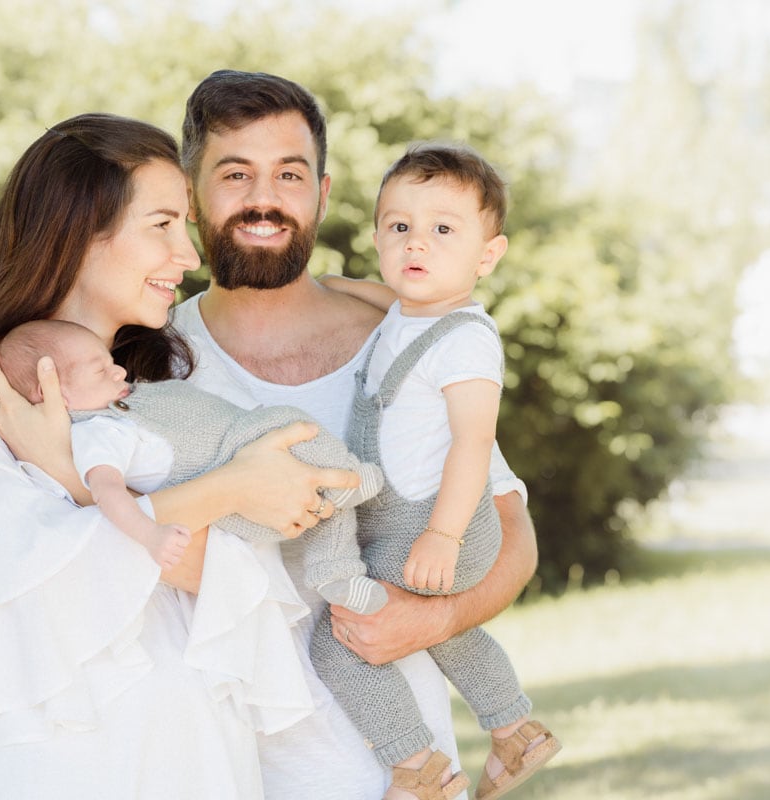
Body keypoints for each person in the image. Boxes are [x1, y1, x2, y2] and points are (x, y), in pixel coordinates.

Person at [0, 113, 361, 798]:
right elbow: (29, 579)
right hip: (52, 758)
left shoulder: (169, 390)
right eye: (162, 225)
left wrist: (71, 480)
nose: (188, 253)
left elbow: (242, 585)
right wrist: (231, 487)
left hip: (199, 747)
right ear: (81, 231)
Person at [171, 70, 541, 800]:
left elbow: (511, 532)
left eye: (289, 173)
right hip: (217, 771)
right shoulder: (152, 364)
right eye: (235, 174)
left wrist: (431, 620)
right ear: (189, 194)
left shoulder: (405, 338)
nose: (264, 197)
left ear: (324, 193)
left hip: (403, 779)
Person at [309, 142, 560, 800]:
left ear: (487, 255)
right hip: (405, 519)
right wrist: (323, 287)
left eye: (442, 230)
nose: (415, 244)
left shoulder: (468, 340)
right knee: (444, 631)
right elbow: (376, 295)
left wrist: (443, 537)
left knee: (341, 634)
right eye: (399, 228)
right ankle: (516, 730)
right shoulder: (405, 313)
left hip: (440, 519)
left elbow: (474, 444)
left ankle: (416, 765)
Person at [0, 318, 387, 613]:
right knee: (290, 424)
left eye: (110, 361)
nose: (117, 371)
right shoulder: (98, 434)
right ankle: (347, 476)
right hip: (234, 478)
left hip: (244, 454)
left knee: (317, 487)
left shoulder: (126, 401)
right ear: (53, 392)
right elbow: (108, 492)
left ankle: (338, 575)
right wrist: (149, 535)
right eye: (100, 370)